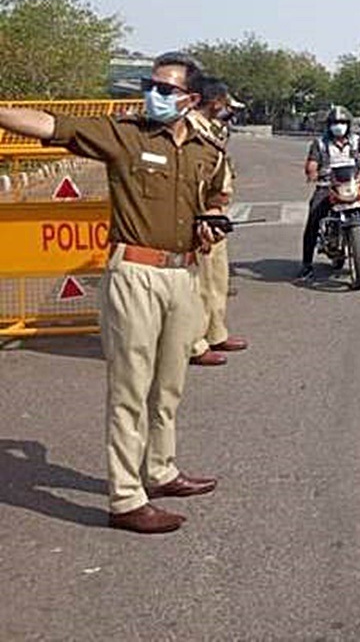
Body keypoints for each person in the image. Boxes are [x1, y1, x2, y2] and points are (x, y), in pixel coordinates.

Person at [0, 51, 229, 534]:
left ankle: (161, 470)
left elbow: (213, 195)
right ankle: (126, 498)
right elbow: (50, 125)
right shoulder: (124, 135)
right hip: (135, 275)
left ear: (190, 99)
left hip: (184, 275)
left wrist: (211, 221)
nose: (153, 94)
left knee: (169, 385)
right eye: (150, 85)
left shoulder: (206, 148)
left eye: (165, 89)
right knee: (130, 388)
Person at [188, 76, 248, 366]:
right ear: (214, 102)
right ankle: (194, 344)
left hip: (215, 214)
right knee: (198, 284)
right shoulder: (189, 128)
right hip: (197, 215)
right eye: (226, 105)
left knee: (216, 278)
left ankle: (215, 333)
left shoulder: (214, 128)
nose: (229, 111)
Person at [296, 106, 360, 282]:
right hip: (329, 185)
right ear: (329, 125)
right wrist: (312, 173)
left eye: (342, 122)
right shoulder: (320, 144)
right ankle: (306, 264)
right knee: (314, 215)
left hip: (355, 183)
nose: (338, 126)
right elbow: (312, 163)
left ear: (349, 124)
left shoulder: (357, 140)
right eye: (335, 123)